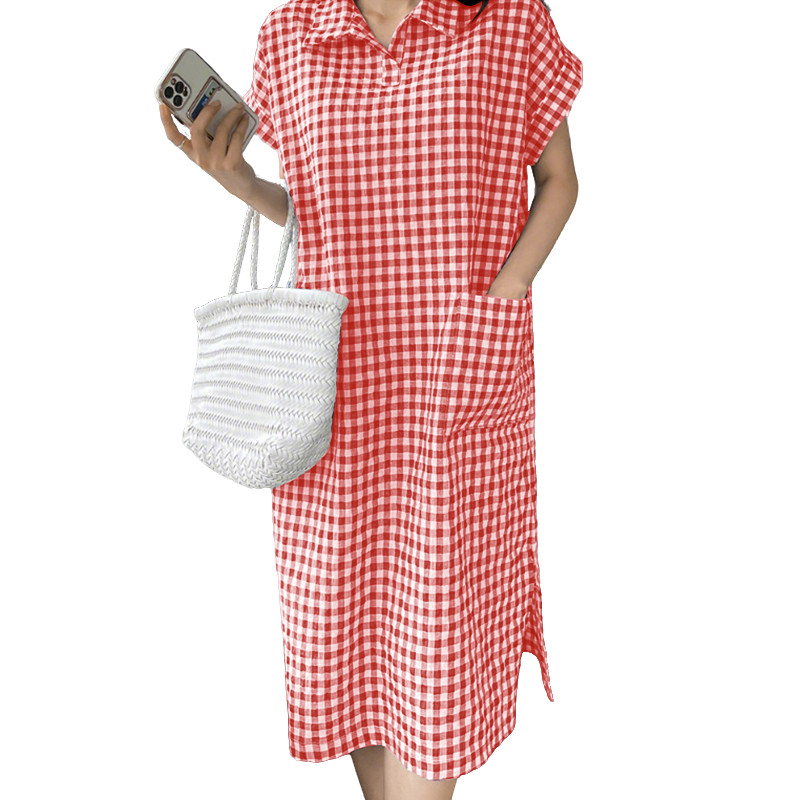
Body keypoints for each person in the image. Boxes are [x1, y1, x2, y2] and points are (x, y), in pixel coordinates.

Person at [158, 0, 583, 797]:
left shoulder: (508, 21)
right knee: (358, 648)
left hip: (455, 386)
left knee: (439, 650)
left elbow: (559, 181)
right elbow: (319, 213)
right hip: (335, 394)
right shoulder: (289, 36)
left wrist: (504, 293)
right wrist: (241, 182)